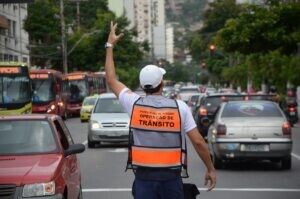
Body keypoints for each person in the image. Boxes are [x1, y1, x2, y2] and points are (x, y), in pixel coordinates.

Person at [105, 21, 216, 199]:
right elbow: (198, 142)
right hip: (171, 180)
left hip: (143, 180)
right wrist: (210, 168)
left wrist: (110, 45)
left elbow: (111, 79)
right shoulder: (180, 107)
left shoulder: (133, 104)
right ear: (162, 83)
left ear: (142, 85)